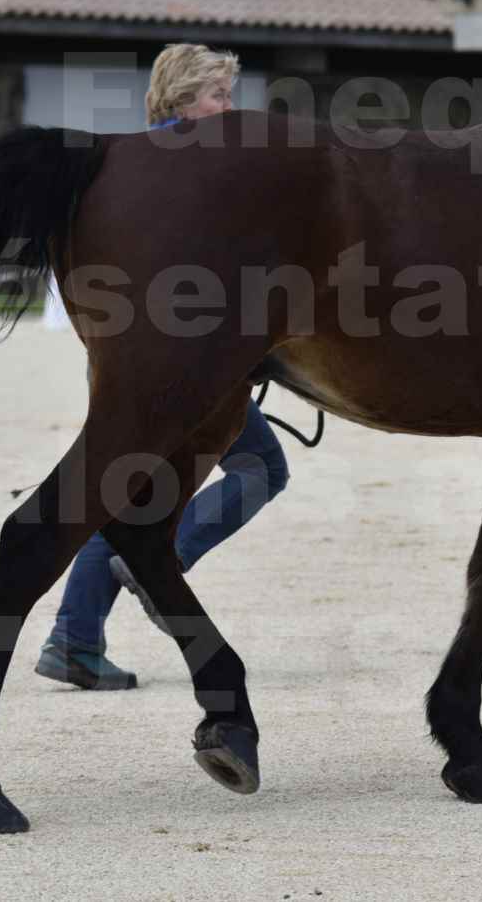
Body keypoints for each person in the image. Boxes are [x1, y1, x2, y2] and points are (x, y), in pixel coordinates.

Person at [35, 44, 290, 690]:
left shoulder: (135, 165)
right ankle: (161, 563)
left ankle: (75, 636)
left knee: (131, 491)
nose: (230, 109)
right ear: (181, 99)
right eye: (218, 96)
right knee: (256, 468)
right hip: (185, 365)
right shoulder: (187, 173)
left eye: (229, 95)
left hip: (157, 361)